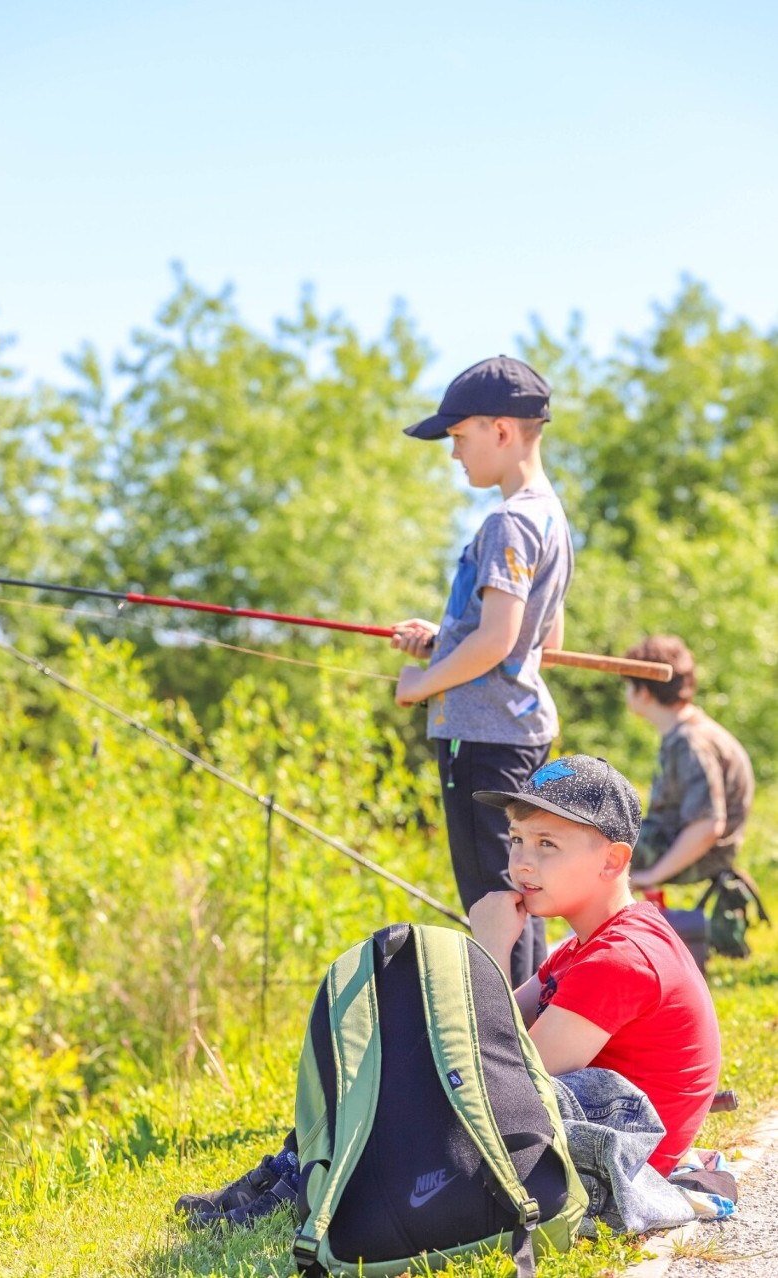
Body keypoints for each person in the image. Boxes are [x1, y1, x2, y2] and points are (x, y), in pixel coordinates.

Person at [175, 755, 721, 1229]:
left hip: (609, 1165)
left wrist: (488, 947)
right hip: (574, 1134)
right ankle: (294, 1175)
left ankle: (311, 1183)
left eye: (547, 844)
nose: (522, 863)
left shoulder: (619, 957)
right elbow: (495, 1030)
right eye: (516, 840)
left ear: (614, 860)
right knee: (408, 1036)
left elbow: (505, 1074)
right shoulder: (585, 945)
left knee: (426, 1080)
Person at [391, 355, 574, 986]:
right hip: (519, 731)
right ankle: (534, 1041)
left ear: (501, 431)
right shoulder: (550, 516)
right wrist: (445, 643)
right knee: (525, 893)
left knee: (496, 904)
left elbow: (498, 639)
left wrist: (421, 683)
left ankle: (510, 1056)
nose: (453, 455)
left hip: (483, 738)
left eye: (459, 436)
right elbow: (541, 636)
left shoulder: (507, 520)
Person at [621, 635, 755, 888]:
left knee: (594, 849)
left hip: (702, 857)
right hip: (674, 841)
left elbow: (707, 826)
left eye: (629, 686)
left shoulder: (691, 743)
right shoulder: (681, 733)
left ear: (644, 692)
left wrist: (650, 877)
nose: (627, 693)